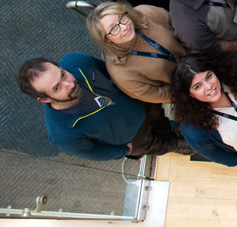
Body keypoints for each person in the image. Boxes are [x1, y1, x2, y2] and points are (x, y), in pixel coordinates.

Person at [16, 53, 192, 161]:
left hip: (143, 107)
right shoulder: (63, 135)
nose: (69, 83)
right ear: (45, 99)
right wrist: (125, 150)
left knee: (164, 123)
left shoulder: (77, 61)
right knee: (166, 144)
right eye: (57, 88)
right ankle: (187, 145)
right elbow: (94, 153)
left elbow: (112, 72)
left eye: (63, 74)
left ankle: (173, 127)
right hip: (137, 138)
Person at [86, 2, 189, 104]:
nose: (124, 27)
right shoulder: (120, 73)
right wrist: (188, 89)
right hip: (186, 90)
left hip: (196, 54)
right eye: (114, 28)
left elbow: (183, 29)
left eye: (122, 18)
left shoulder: (146, 12)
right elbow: (160, 95)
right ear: (106, 39)